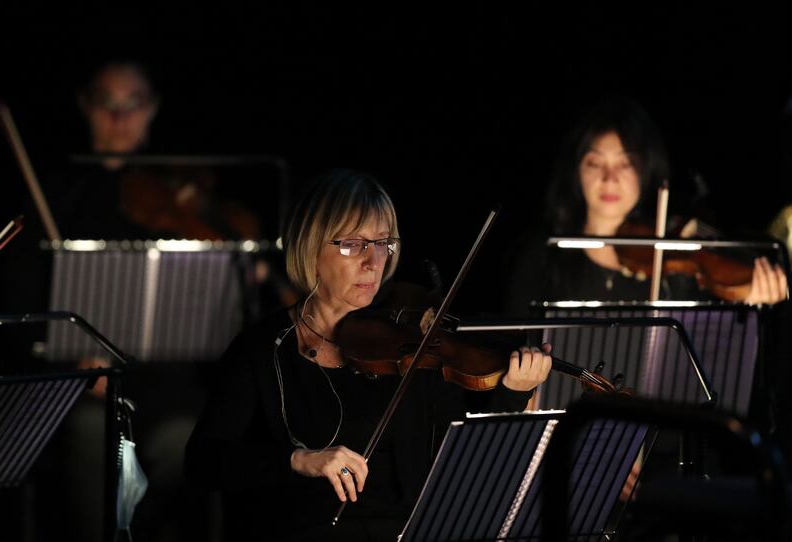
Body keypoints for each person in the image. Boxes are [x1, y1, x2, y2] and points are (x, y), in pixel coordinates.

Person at [184, 169, 553, 541]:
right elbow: (204, 462)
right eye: (353, 244)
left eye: (383, 243)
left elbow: (463, 468)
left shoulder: (415, 344)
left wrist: (513, 392)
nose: (374, 261)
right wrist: (299, 460)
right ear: (311, 247)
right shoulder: (262, 349)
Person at [504, 98, 788, 312]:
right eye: (595, 162)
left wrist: (753, 300)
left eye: (625, 163)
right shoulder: (543, 255)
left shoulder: (674, 265)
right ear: (576, 170)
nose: (609, 179)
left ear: (645, 170)